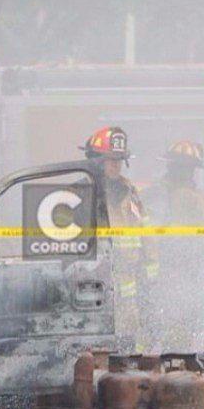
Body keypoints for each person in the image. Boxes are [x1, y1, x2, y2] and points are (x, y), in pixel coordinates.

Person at [82, 126, 158, 352]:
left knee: (130, 332)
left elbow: (146, 229)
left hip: (131, 278)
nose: (116, 165)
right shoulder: (82, 192)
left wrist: (151, 268)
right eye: (110, 160)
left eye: (119, 160)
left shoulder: (129, 190)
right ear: (96, 161)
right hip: (95, 280)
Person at [148, 140, 204, 351]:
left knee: (187, 319)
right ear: (171, 167)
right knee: (168, 318)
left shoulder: (196, 196)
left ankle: (180, 363)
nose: (187, 173)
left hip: (191, 267)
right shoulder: (158, 194)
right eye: (182, 167)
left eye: (190, 168)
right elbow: (152, 234)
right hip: (168, 268)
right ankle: (168, 363)